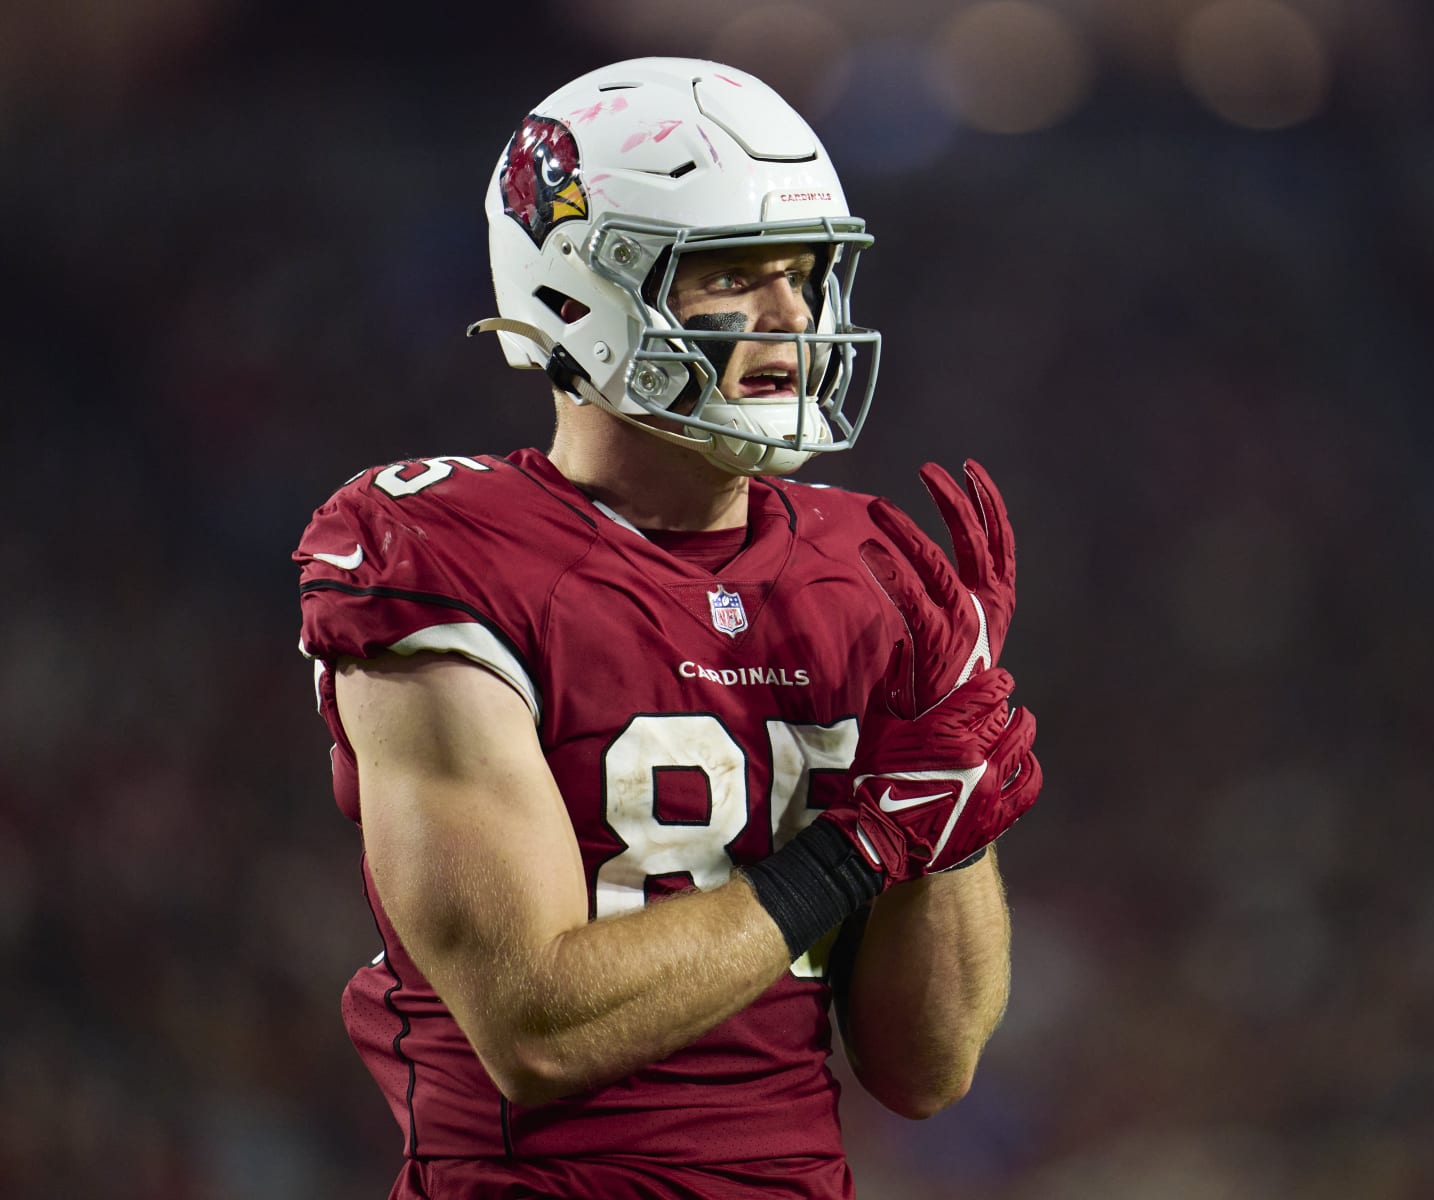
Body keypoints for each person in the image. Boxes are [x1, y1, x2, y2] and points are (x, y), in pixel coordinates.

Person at [293, 57, 1044, 1199]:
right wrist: (862, 847)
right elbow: (538, 1028)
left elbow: (927, 1068)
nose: (793, 317)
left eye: (804, 274)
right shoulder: (441, 558)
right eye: (735, 276)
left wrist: (954, 808)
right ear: (576, 293)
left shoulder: (874, 571)